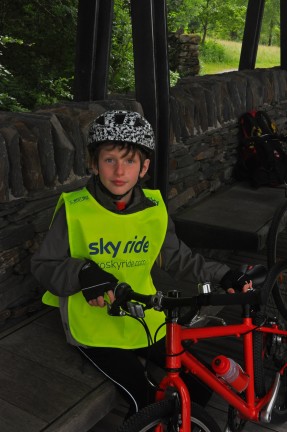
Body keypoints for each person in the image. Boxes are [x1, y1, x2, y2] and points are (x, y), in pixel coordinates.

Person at [31, 110, 252, 416]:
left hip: (145, 314)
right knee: (142, 398)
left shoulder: (153, 209)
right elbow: (44, 265)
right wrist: (81, 272)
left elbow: (178, 257)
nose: (119, 171)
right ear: (94, 164)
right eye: (110, 160)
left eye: (130, 161)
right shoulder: (74, 210)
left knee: (200, 383)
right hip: (94, 326)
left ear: (144, 167)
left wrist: (225, 274)